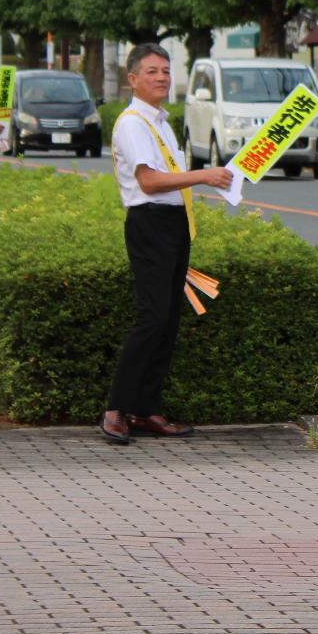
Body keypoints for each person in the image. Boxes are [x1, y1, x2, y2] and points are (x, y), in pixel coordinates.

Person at [98, 44, 233, 444]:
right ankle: (115, 409)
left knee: (168, 321)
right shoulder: (133, 123)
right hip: (149, 223)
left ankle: (146, 410)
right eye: (152, 71)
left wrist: (211, 178)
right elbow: (149, 182)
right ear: (133, 79)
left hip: (173, 223)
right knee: (152, 318)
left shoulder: (160, 121)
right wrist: (203, 176)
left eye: (165, 70)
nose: (161, 77)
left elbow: (168, 177)